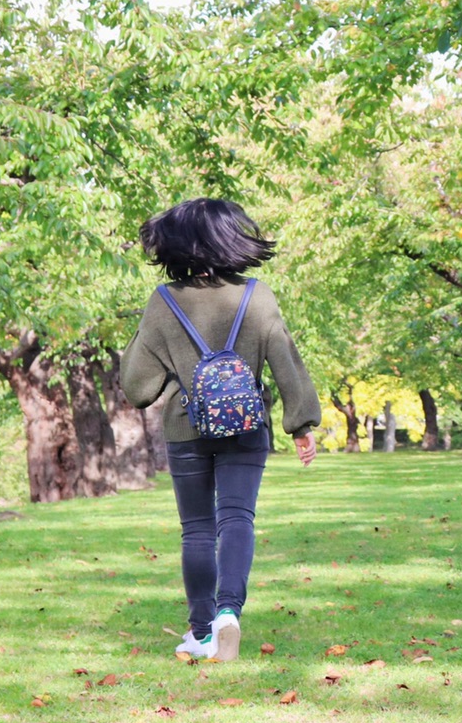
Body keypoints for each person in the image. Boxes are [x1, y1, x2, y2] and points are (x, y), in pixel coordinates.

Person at [120, 198, 320, 662]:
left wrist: (172, 365)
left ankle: (201, 630)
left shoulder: (164, 301)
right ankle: (229, 612)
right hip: (248, 427)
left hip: (185, 428)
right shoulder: (257, 295)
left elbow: (137, 386)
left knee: (196, 529)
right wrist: (301, 423)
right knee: (237, 519)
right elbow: (286, 362)